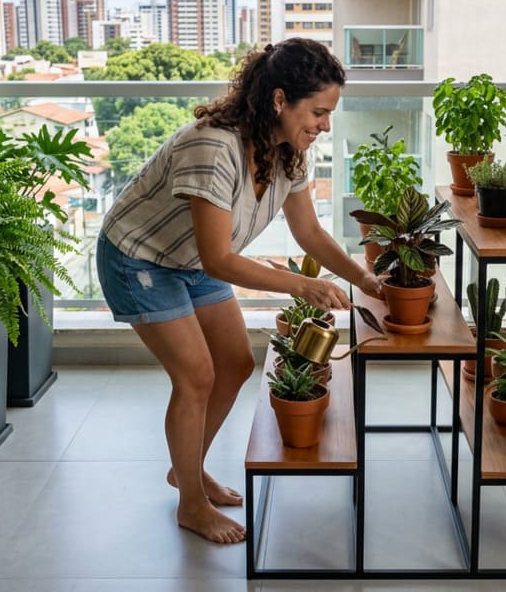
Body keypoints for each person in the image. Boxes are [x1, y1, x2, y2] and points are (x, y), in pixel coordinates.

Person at [96, 38, 382, 544]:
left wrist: (363, 278)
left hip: (191, 256)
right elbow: (220, 260)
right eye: (318, 112)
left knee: (235, 363)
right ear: (279, 101)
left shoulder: (290, 152)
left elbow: (309, 234)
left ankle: (186, 470)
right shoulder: (214, 147)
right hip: (138, 258)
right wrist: (304, 286)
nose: (325, 125)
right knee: (197, 377)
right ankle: (190, 504)